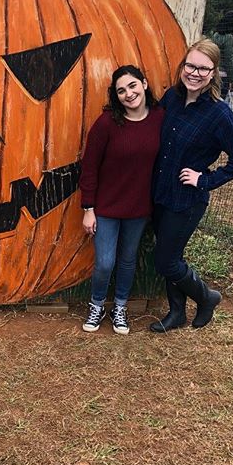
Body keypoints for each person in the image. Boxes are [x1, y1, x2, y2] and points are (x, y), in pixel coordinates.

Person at [150, 38, 233, 333]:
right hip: (159, 191)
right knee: (172, 254)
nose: (195, 73)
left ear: (214, 74)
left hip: (187, 199)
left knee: (166, 262)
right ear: (183, 66)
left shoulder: (218, 114)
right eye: (190, 65)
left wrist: (205, 179)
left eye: (203, 69)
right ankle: (177, 312)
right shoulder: (171, 97)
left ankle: (206, 297)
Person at [79, 66, 164, 335]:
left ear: (145, 83)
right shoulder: (107, 124)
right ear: (116, 96)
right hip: (106, 206)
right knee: (105, 262)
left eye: (132, 86)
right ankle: (96, 305)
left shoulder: (160, 119)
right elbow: (89, 166)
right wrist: (88, 209)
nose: (129, 94)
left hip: (138, 207)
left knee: (127, 260)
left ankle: (120, 307)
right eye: (121, 91)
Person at [212, 10, 233, 99]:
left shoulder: (215, 35)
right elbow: (228, 59)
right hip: (224, 75)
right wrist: (231, 78)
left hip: (214, 71)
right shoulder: (229, 38)